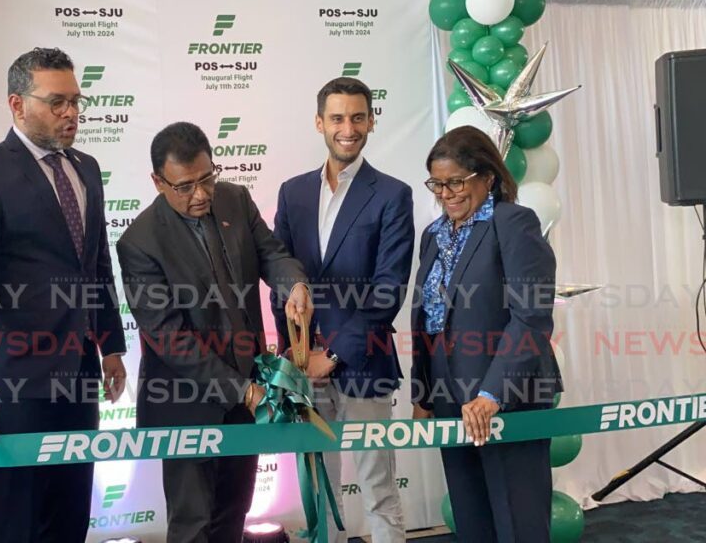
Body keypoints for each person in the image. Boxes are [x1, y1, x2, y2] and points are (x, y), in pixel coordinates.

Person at [0, 47, 127, 543]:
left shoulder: (86, 167)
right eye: (55, 102)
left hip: (79, 376)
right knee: (18, 523)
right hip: (15, 382)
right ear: (16, 104)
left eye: (75, 101)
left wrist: (110, 344)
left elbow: (96, 265)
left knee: (70, 519)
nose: (70, 113)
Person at [116, 121, 311, 543]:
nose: (201, 194)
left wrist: (293, 283)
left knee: (233, 517)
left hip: (246, 399)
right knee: (193, 526)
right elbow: (169, 338)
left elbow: (272, 253)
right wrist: (240, 388)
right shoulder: (139, 242)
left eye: (207, 179)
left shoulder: (236, 200)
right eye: (185, 186)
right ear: (158, 182)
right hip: (186, 404)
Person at [273, 77, 412, 543]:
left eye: (357, 117)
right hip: (302, 365)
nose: (347, 128)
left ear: (372, 121)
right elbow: (282, 277)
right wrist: (295, 356)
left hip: (363, 361)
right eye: (337, 118)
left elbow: (388, 289)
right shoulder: (292, 193)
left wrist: (330, 356)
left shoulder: (393, 194)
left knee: (378, 485)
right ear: (319, 123)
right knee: (318, 488)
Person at [410, 125, 561, 543]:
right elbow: (428, 320)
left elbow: (531, 317)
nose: (447, 193)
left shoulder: (513, 222)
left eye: (456, 181)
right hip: (449, 401)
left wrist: (492, 394)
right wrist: (423, 393)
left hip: (508, 400)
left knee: (519, 525)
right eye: (438, 184)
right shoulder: (433, 235)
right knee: (472, 524)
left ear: (487, 177)